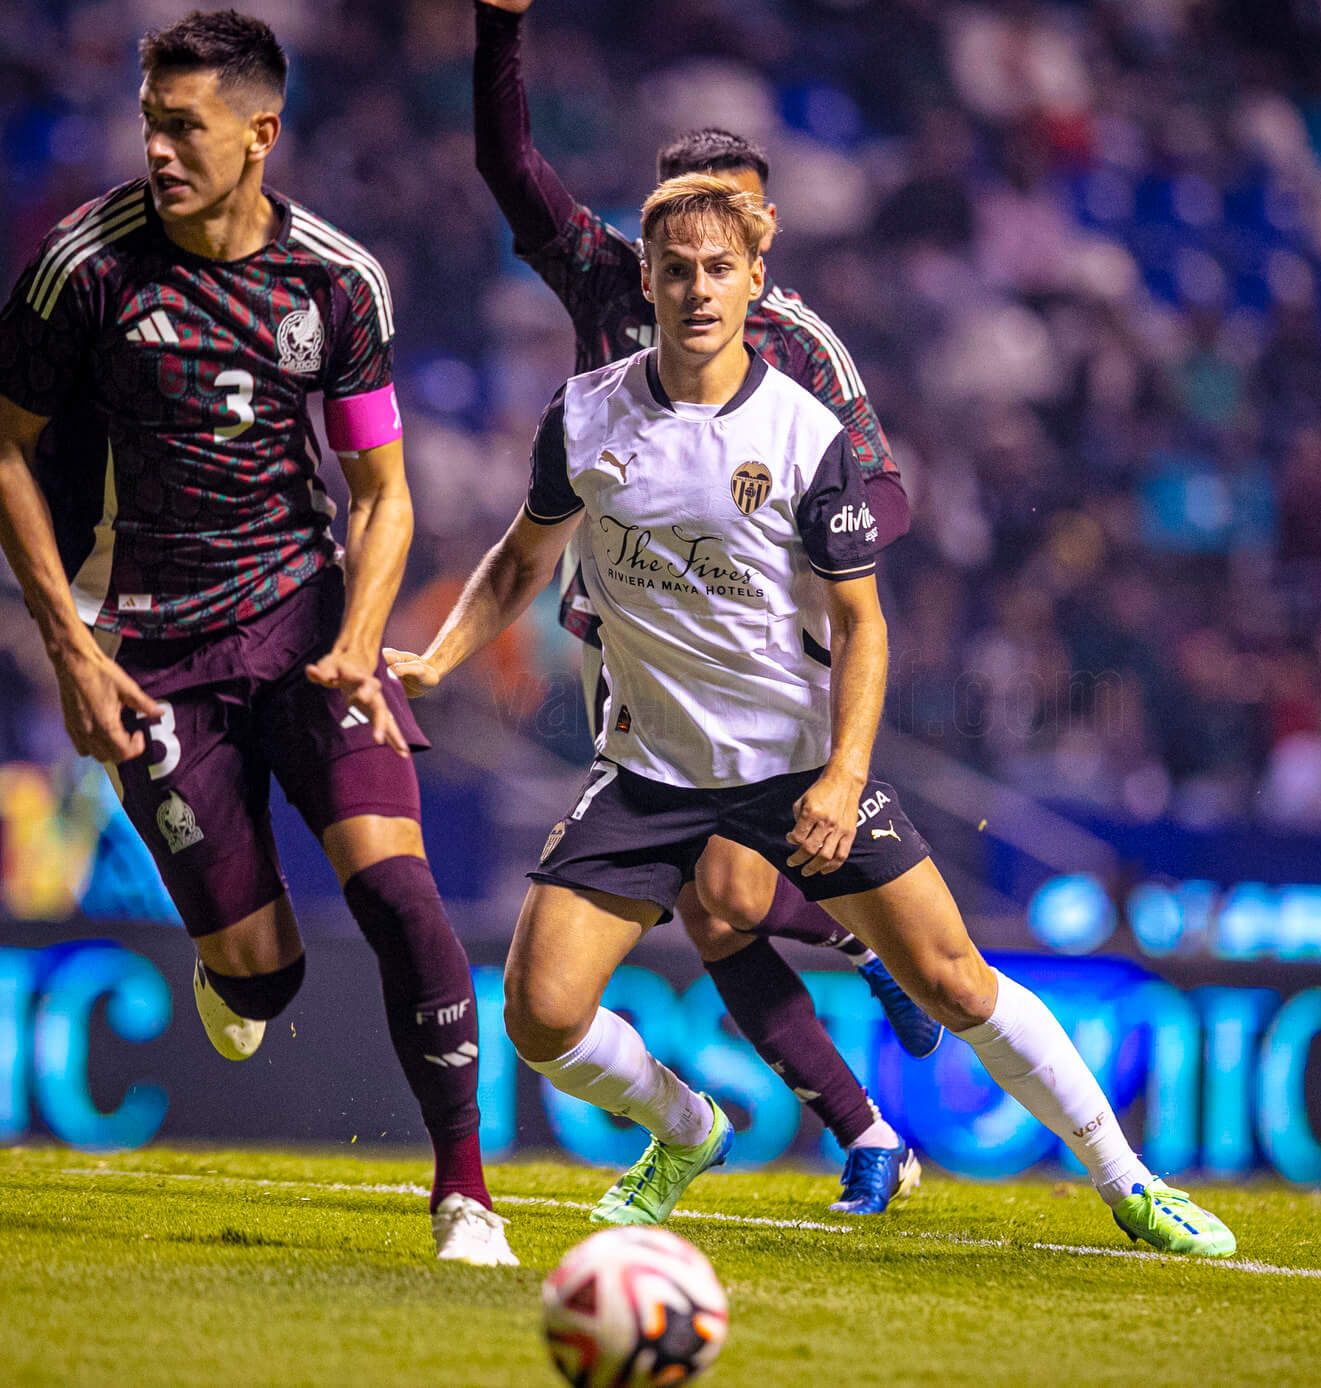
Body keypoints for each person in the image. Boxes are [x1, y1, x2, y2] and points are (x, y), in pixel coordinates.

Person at [392, 174, 1236, 1256]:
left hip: (789, 769)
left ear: (754, 280)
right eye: (675, 270)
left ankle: (1128, 1182)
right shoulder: (588, 411)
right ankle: (687, 1127)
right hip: (645, 774)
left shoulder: (802, 434)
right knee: (540, 1013)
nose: (697, 290)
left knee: (954, 976)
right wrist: (439, 655)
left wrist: (840, 778)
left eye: (717, 270)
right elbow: (521, 555)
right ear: (642, 281)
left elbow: (862, 626)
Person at [0, 10, 512, 1266]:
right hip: (152, 653)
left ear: (261, 134)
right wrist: (69, 647)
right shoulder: (83, 267)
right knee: (264, 977)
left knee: (400, 891)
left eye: (184, 127)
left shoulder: (337, 280)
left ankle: (465, 1191)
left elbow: (382, 492)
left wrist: (359, 636)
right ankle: (238, 975)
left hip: (307, 618)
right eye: (150, 124)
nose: (159, 150)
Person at [443, 0, 937, 1216]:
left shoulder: (796, 347)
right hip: (620, 641)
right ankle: (866, 1092)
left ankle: (862, 1085)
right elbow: (504, 161)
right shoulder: (608, 275)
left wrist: (772, 561)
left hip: (752, 653)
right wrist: (500, 25)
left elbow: (880, 490)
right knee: (711, 906)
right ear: (660, 222)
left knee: (718, 900)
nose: (717, 257)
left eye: (746, 230)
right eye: (698, 229)